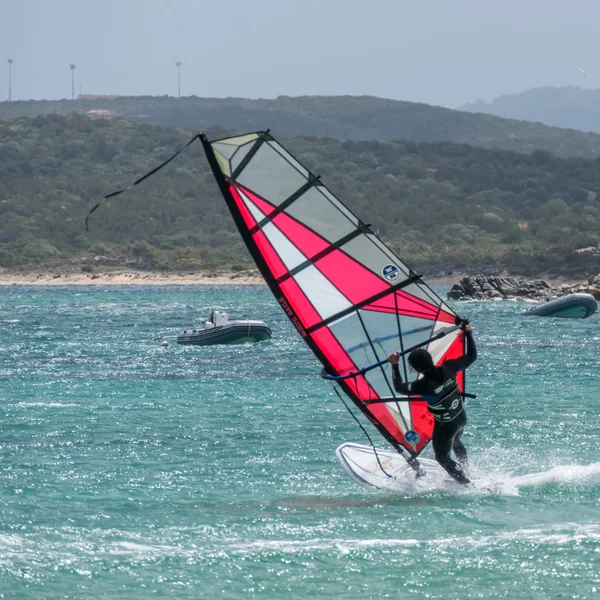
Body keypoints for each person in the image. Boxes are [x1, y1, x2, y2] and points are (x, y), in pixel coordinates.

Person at [387, 319, 477, 485]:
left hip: (446, 425)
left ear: (416, 369)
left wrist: (394, 365)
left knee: (442, 458)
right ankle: (468, 470)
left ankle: (467, 484)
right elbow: (471, 356)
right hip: (461, 417)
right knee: (456, 442)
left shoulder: (422, 386)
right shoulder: (449, 368)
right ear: (430, 359)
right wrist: (468, 332)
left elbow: (399, 387)